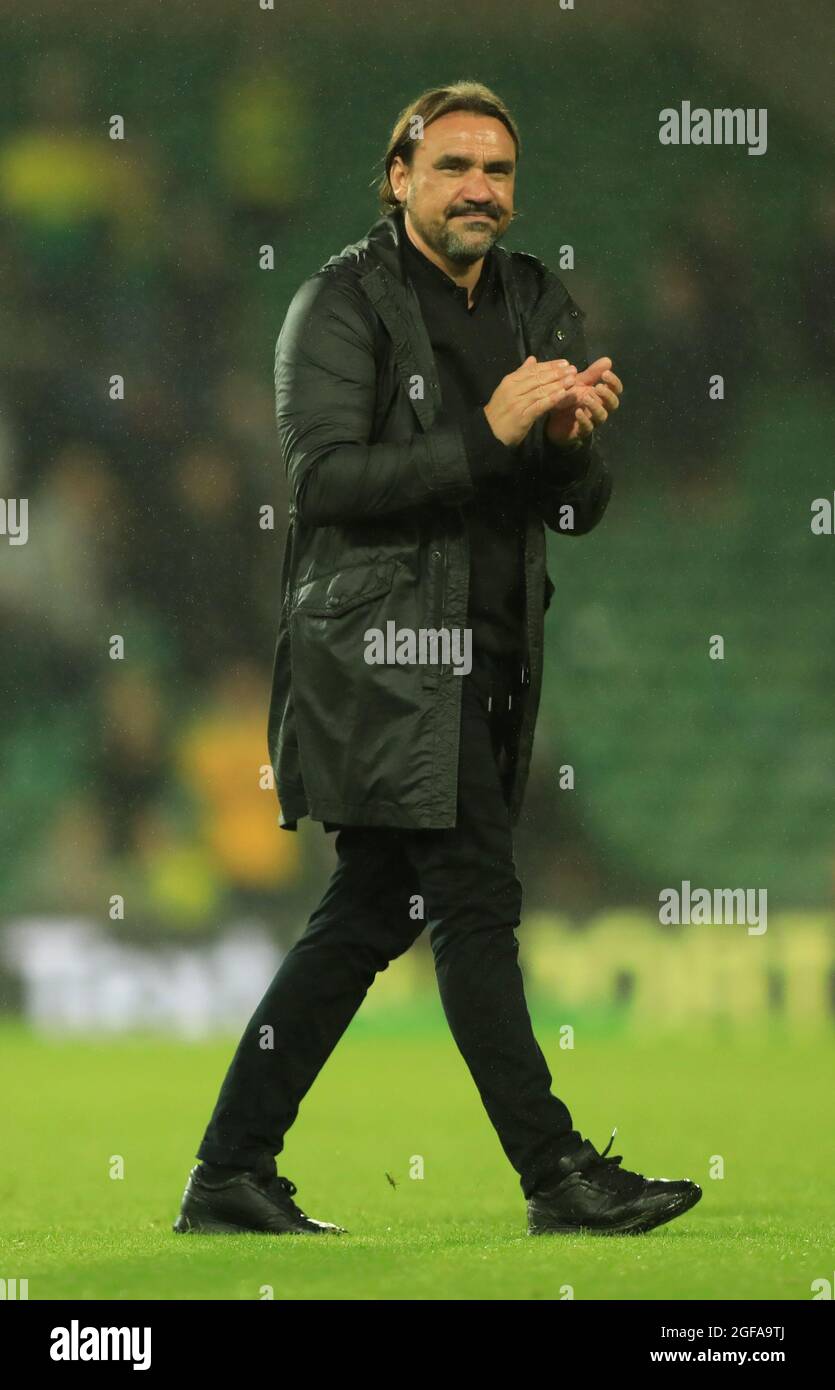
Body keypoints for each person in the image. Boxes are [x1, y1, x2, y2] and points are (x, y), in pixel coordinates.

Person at [173, 81, 701, 1238]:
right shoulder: (338, 304)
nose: (478, 189)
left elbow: (580, 507)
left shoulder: (533, 301)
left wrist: (562, 447)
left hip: (497, 650)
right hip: (378, 657)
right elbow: (323, 483)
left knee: (369, 912)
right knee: (473, 898)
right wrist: (490, 432)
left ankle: (227, 1170)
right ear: (399, 177)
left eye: (497, 171)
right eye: (453, 165)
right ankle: (555, 1173)